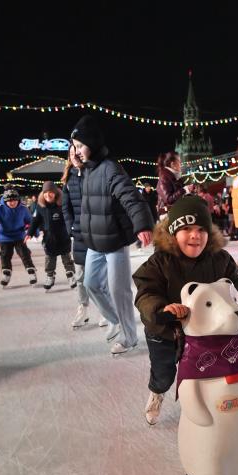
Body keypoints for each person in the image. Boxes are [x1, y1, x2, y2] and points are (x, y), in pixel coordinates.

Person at [133, 195, 238, 425]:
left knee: (210, 369)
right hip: (165, 332)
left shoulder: (218, 259)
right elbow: (146, 293)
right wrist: (163, 308)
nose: (195, 235)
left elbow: (231, 280)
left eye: (202, 229)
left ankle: (212, 401)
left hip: (203, 332)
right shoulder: (160, 262)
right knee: (164, 374)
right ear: (172, 232)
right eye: (187, 228)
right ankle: (157, 392)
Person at [71, 115, 154, 354]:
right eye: (74, 147)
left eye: (80, 146)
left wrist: (142, 224)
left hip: (115, 240)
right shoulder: (86, 170)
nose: (76, 152)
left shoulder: (109, 168)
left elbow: (130, 196)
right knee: (90, 284)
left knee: (119, 290)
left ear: (93, 144)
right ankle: (115, 319)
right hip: (94, 242)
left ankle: (129, 337)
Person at [62, 144, 98, 327]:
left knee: (99, 275)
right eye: (70, 153)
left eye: (75, 151)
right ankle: (82, 308)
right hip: (79, 234)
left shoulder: (91, 173)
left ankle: (105, 311)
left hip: (96, 232)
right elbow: (65, 207)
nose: (73, 155)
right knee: (80, 274)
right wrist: (71, 227)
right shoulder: (68, 179)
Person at [25, 181, 76, 290]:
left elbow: (70, 217)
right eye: (46, 192)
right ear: (43, 194)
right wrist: (29, 233)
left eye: (51, 192)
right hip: (49, 239)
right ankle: (50, 276)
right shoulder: (40, 206)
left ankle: (71, 275)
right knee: (49, 259)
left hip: (63, 237)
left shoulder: (63, 204)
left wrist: (73, 229)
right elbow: (35, 221)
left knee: (67, 259)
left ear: (56, 193)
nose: (48, 194)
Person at [0, 185, 37, 287]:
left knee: (24, 254)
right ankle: (6, 274)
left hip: (19, 236)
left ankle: (31, 272)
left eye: (14, 200)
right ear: (5, 201)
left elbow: (31, 221)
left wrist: (34, 232)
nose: (12, 203)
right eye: (9, 201)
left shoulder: (23, 208)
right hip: (4, 237)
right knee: (5, 255)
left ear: (18, 200)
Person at [156, 151, 185, 217]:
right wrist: (185, 190)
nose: (181, 164)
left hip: (175, 213)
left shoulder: (175, 177)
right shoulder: (164, 177)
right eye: (179, 161)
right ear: (173, 164)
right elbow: (168, 199)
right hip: (167, 216)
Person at [136, 183, 159, 249]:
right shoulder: (142, 195)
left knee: (154, 229)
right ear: (145, 188)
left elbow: (156, 202)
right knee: (144, 228)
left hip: (153, 213)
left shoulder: (153, 194)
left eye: (149, 187)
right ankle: (139, 244)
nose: (148, 188)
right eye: (147, 187)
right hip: (145, 214)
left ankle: (155, 242)